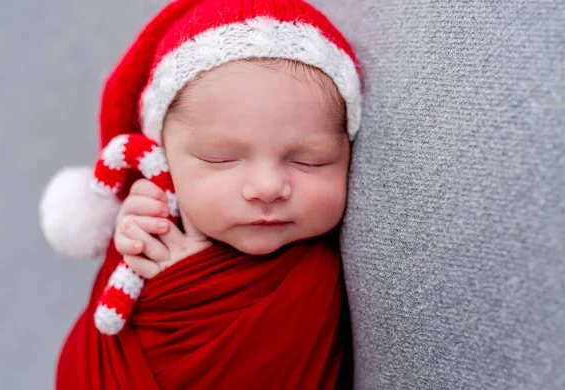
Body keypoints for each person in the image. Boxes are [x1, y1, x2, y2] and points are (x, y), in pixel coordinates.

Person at [39, 0, 363, 388]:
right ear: (164, 158)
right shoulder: (149, 221)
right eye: (221, 158)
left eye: (310, 161)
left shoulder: (319, 279)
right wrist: (135, 237)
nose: (267, 188)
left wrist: (202, 293)